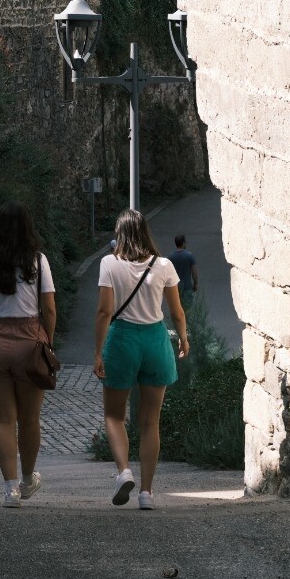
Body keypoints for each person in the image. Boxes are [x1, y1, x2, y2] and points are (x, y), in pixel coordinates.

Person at [94, 208, 189, 510]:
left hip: (122, 340)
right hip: (155, 340)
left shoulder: (109, 263)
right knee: (150, 422)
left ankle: (124, 471)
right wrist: (184, 338)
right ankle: (146, 493)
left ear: (120, 234)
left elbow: (104, 312)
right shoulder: (163, 265)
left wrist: (97, 352)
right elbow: (176, 312)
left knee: (114, 415)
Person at [0, 201, 57, 508]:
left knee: (3, 420)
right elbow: (49, 308)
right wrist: (47, 341)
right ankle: (28, 480)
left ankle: (10, 490)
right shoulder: (37, 261)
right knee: (29, 420)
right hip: (29, 341)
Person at [169, 234, 199, 303]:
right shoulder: (189, 256)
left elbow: (169, 273)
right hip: (187, 286)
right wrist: (195, 283)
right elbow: (194, 272)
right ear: (183, 243)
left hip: (175, 287)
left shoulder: (171, 257)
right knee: (187, 308)